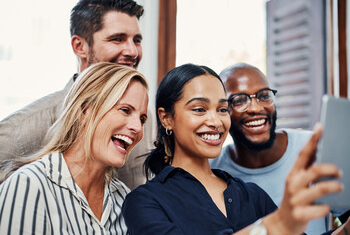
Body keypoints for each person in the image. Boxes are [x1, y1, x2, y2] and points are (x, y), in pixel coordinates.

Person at [121, 63, 344, 235]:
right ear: (166, 118)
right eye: (199, 109)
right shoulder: (143, 202)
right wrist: (274, 225)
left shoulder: (251, 194)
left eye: (222, 109)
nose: (216, 121)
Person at [0, 0, 154, 190]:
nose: (133, 51)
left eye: (137, 40)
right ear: (80, 47)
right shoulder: (19, 132)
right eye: (117, 39)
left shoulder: (144, 121)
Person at [0, 62, 149, 234]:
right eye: (125, 110)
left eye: (142, 119)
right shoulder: (28, 186)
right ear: (84, 110)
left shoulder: (124, 199)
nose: (137, 127)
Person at [209, 63, 338, 234]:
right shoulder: (211, 169)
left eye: (264, 96)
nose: (256, 108)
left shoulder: (315, 148)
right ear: (222, 111)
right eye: (239, 100)